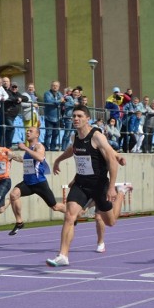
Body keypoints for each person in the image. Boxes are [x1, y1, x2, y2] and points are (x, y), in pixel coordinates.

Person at [46, 104, 133, 267]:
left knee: (111, 222)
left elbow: (111, 159)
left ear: (88, 118)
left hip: (99, 185)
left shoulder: (97, 135)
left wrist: (112, 187)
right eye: (74, 116)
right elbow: (72, 150)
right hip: (81, 183)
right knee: (70, 215)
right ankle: (63, 255)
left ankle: (121, 192)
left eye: (79, 116)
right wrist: (58, 160)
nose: (76, 119)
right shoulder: (75, 137)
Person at [7, 126, 66, 235]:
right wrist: (13, 156)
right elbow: (26, 161)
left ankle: (72, 214)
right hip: (28, 183)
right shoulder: (29, 148)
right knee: (13, 195)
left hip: (39, 183)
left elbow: (39, 158)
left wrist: (25, 148)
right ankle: (19, 222)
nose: (27, 132)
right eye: (27, 131)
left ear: (37, 134)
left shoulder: (39, 146)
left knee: (55, 206)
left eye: (30, 131)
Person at [43, 81, 64, 151]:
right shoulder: (47, 93)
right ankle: (46, 147)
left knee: (56, 133)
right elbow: (49, 102)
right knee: (48, 133)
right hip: (49, 117)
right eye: (53, 85)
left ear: (59, 87)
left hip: (57, 117)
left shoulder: (59, 94)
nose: (55, 87)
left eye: (57, 86)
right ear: (51, 86)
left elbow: (62, 102)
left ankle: (53, 148)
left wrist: (60, 101)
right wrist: (59, 101)